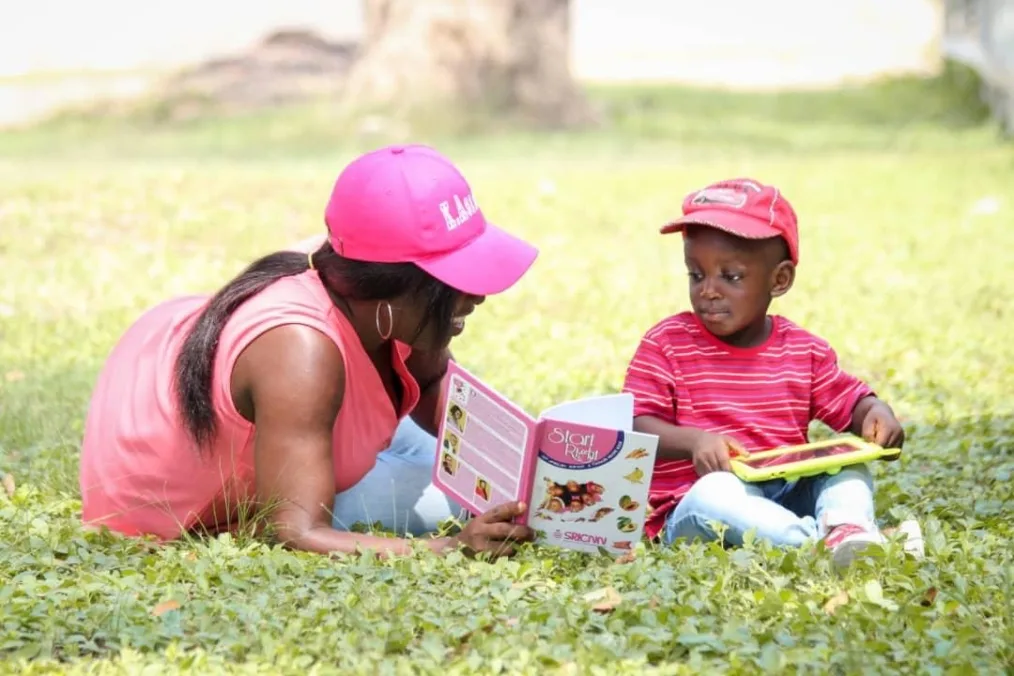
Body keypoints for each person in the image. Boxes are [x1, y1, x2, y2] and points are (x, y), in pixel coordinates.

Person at [79, 144, 539, 558]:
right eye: (458, 282)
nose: (477, 297)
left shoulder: (360, 279)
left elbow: (435, 383)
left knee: (504, 485)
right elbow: (296, 531)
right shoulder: (300, 349)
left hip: (292, 415)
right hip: (172, 482)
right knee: (468, 504)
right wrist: (450, 548)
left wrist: (532, 459)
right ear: (394, 288)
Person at [622, 178, 922, 568]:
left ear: (779, 280)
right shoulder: (666, 343)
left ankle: (847, 532)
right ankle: (828, 547)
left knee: (846, 466)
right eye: (696, 275)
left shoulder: (803, 350)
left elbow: (849, 403)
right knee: (715, 493)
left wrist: (874, 413)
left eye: (730, 277)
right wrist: (695, 441)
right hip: (696, 507)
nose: (708, 291)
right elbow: (634, 426)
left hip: (785, 493)